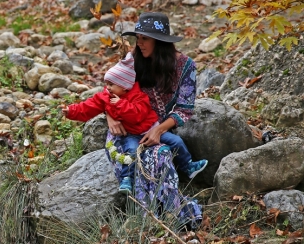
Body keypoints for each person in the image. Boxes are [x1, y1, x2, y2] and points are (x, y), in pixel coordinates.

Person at [109, 12, 206, 226]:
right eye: (138, 38)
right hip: (127, 129)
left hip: (156, 130)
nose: (139, 43)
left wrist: (159, 130)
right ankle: (149, 218)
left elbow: (184, 109)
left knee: (161, 155)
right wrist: (110, 118)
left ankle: (173, 215)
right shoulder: (132, 59)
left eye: (145, 38)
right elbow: (109, 90)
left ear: (159, 41)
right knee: (133, 155)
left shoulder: (185, 66)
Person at [62, 53, 160, 193]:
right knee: (130, 151)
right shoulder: (107, 96)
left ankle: (187, 164)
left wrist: (120, 104)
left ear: (125, 87)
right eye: (106, 83)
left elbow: (137, 115)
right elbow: (88, 107)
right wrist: (71, 111)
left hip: (151, 129)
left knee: (176, 141)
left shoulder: (138, 97)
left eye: (110, 84)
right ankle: (127, 179)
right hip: (131, 134)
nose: (106, 87)